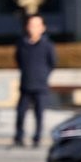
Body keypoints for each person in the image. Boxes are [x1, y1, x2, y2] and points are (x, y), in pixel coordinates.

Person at [14, 13, 57, 147]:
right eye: (31, 25)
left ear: (42, 28)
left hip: (41, 85)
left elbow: (53, 62)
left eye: (36, 25)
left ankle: (37, 138)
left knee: (39, 114)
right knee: (21, 113)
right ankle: (19, 137)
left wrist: (43, 75)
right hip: (26, 84)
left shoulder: (47, 45)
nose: (33, 28)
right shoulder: (22, 43)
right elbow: (18, 60)